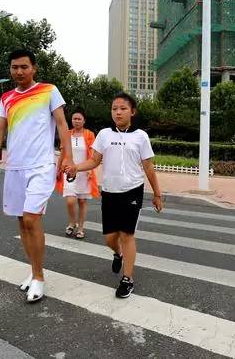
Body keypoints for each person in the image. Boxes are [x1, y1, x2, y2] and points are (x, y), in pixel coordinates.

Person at [0, 49, 73, 303]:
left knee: (32, 219)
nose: (19, 72)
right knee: (22, 222)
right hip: (15, 167)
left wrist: (68, 157)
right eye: (14, 67)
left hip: (41, 166)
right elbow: (0, 128)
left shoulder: (49, 90)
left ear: (34, 68)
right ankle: (33, 272)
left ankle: (39, 276)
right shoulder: (7, 97)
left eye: (24, 67)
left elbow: (62, 125)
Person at [66, 92, 163, 299]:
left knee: (127, 235)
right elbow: (94, 161)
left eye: (123, 108)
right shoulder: (104, 135)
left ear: (132, 111)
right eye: (114, 108)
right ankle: (117, 253)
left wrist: (157, 193)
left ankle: (127, 279)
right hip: (109, 192)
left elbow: (148, 167)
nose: (118, 112)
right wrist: (76, 168)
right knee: (110, 238)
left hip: (132, 191)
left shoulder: (141, 136)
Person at [56, 108, 100, 239]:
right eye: (74, 118)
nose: (76, 121)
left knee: (82, 202)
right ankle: (72, 222)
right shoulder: (67, 134)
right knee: (70, 201)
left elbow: (93, 156)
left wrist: (89, 170)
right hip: (69, 172)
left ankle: (80, 228)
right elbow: (62, 154)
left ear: (84, 120)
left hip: (84, 172)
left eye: (79, 119)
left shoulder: (89, 134)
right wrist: (58, 169)